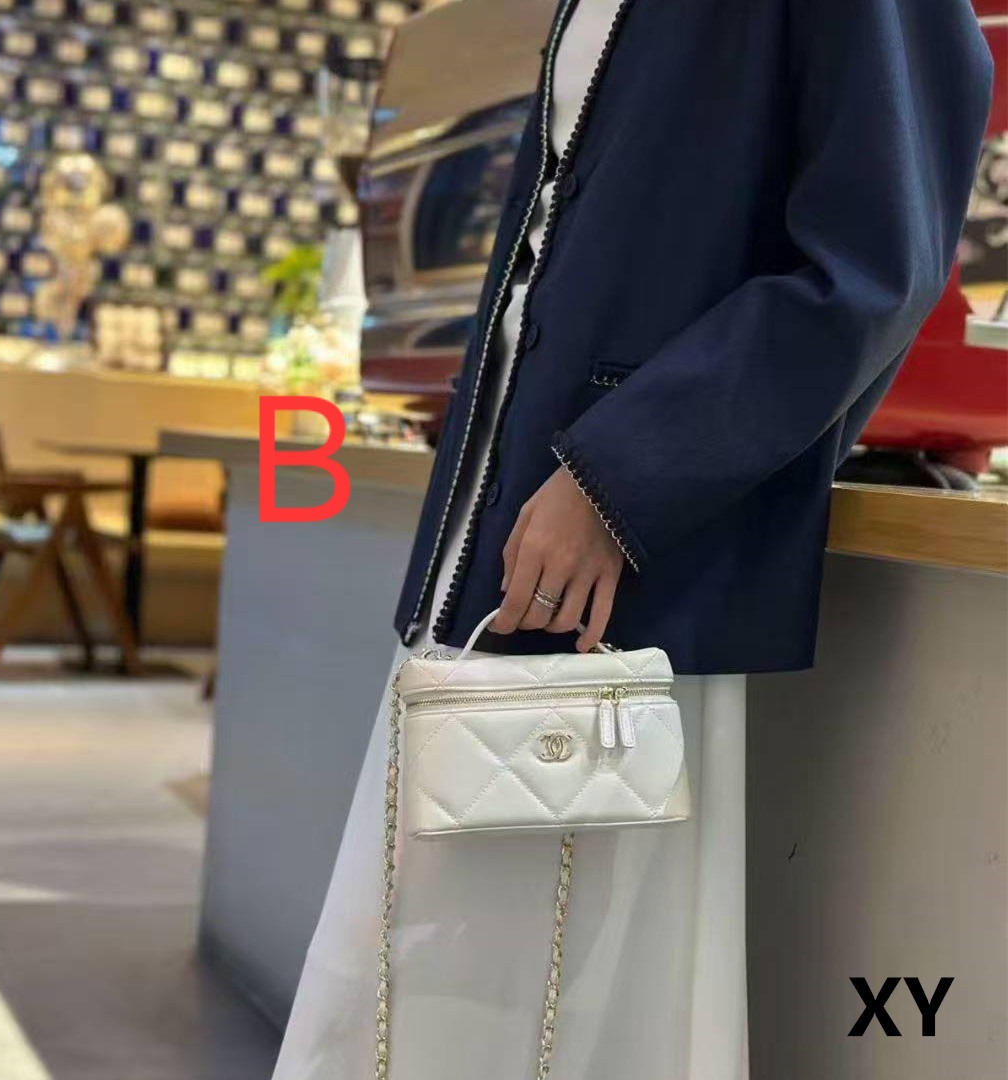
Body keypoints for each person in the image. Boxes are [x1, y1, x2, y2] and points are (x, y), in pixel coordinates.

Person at [273, 1, 992, 1076]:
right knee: (418, 968)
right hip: (497, 535)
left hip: (627, 565)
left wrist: (623, 475)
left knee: (556, 986)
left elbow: (876, 264)